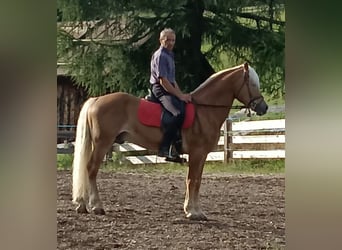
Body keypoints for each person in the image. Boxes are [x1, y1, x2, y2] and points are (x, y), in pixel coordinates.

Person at [149, 28, 192, 161]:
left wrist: (181, 95)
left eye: (173, 40)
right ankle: (164, 148)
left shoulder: (169, 54)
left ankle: (175, 147)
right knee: (177, 113)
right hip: (160, 88)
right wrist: (179, 96)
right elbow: (163, 81)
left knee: (183, 107)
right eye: (168, 40)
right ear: (161, 40)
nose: (171, 43)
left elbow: (172, 80)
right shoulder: (161, 55)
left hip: (168, 86)